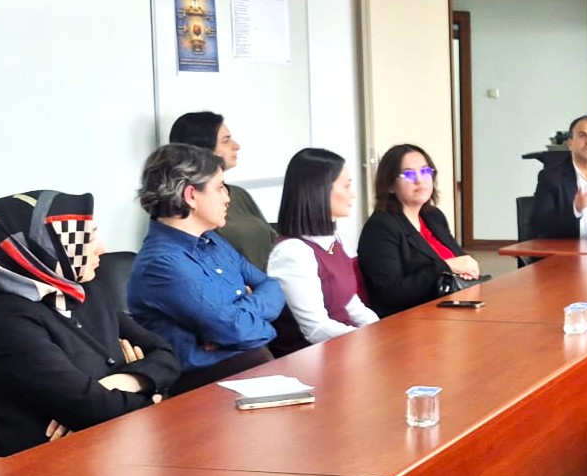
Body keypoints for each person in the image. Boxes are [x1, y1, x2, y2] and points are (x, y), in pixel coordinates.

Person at [0, 190, 178, 457]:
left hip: (112, 447)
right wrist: (154, 395)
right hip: (49, 468)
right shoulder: (5, 324)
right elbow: (94, 409)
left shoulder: (85, 292)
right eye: (89, 238)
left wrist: (124, 381)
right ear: (43, 249)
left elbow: (166, 355)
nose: (102, 249)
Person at [129, 143, 284, 393]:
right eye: (220, 188)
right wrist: (247, 324)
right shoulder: (163, 263)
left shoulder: (213, 241)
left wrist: (238, 318)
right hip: (198, 388)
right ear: (191, 195)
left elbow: (271, 287)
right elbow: (238, 329)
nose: (228, 198)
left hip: (245, 367)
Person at [266, 148, 379, 356]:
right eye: (346, 186)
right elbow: (315, 329)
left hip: (346, 344)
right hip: (310, 356)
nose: (353, 193)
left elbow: (350, 303)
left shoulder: (337, 240)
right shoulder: (292, 252)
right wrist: (367, 339)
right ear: (319, 190)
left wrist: (380, 329)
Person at [358, 144, 480, 317]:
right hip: (411, 319)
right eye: (409, 174)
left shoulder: (433, 216)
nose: (420, 180)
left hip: (452, 308)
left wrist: (467, 269)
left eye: (425, 171)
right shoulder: (380, 227)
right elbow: (391, 294)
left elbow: (459, 260)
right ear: (390, 185)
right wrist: (447, 267)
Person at [169, 111, 278, 270]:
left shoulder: (239, 194)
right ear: (202, 149)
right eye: (226, 140)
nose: (236, 146)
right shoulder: (186, 204)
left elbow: (272, 240)